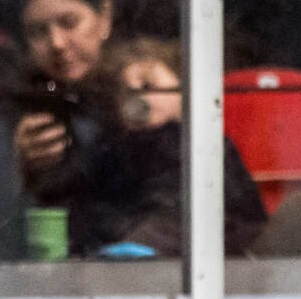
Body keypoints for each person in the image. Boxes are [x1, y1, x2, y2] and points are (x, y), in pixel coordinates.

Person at [65, 37, 269, 255]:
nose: (138, 98)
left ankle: (264, 246)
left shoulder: (208, 143)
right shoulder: (112, 150)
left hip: (207, 233)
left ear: (184, 88)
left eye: (148, 85)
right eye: (126, 94)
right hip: (144, 236)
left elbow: (240, 202)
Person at [10, 0, 119, 230]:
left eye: (69, 23)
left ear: (104, 18)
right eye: (38, 32)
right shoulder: (19, 101)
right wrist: (15, 164)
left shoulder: (146, 87)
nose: (57, 43)